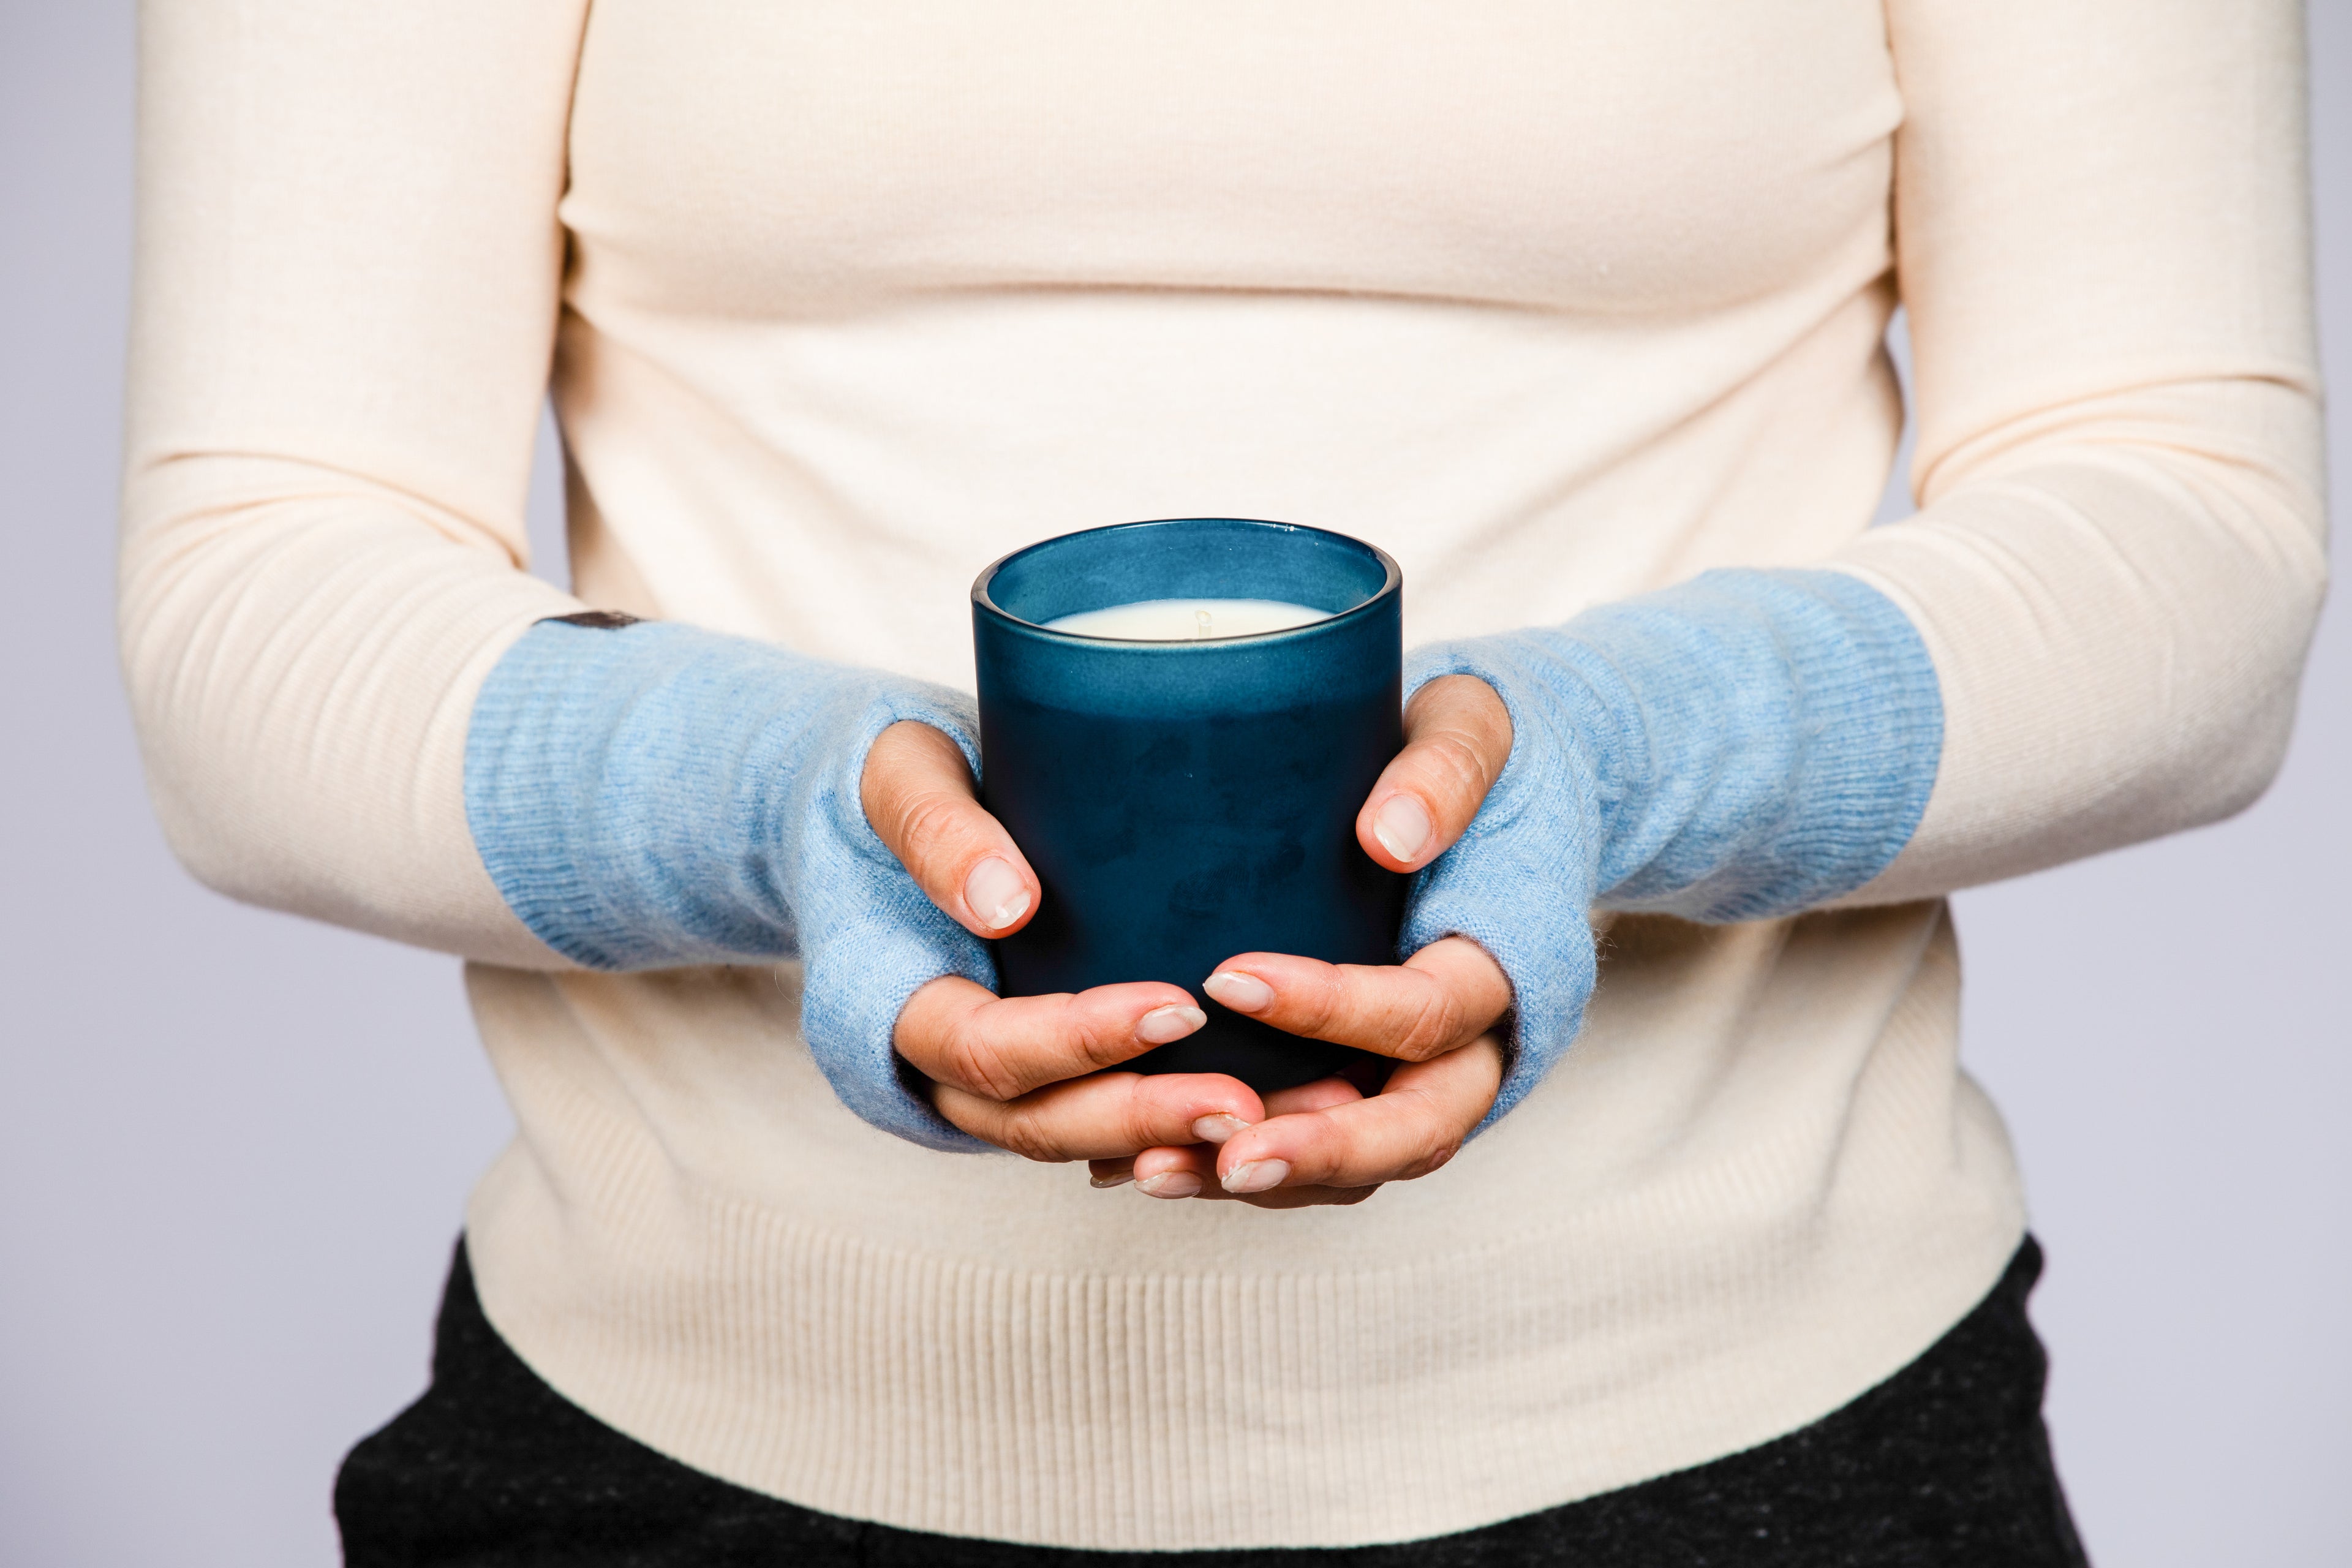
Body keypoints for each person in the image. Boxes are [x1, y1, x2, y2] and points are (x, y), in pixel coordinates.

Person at [119, 2, 2322, 1562]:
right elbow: (260, 598)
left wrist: (1616, 762)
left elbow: (2188, 535)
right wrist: (782, 811)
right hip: (684, 1456)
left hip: (1763, 1448)